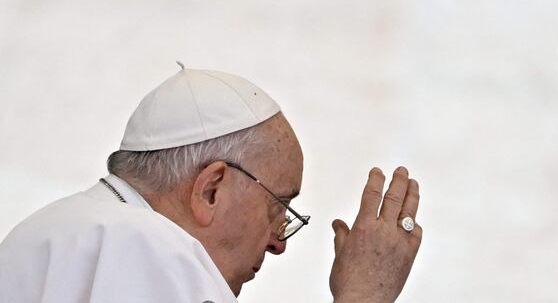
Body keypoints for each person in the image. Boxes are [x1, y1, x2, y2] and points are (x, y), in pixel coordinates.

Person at [0, 64, 422, 303]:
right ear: (211, 189)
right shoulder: (148, 247)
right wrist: (365, 295)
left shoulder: (63, 231)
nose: (279, 243)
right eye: (279, 208)